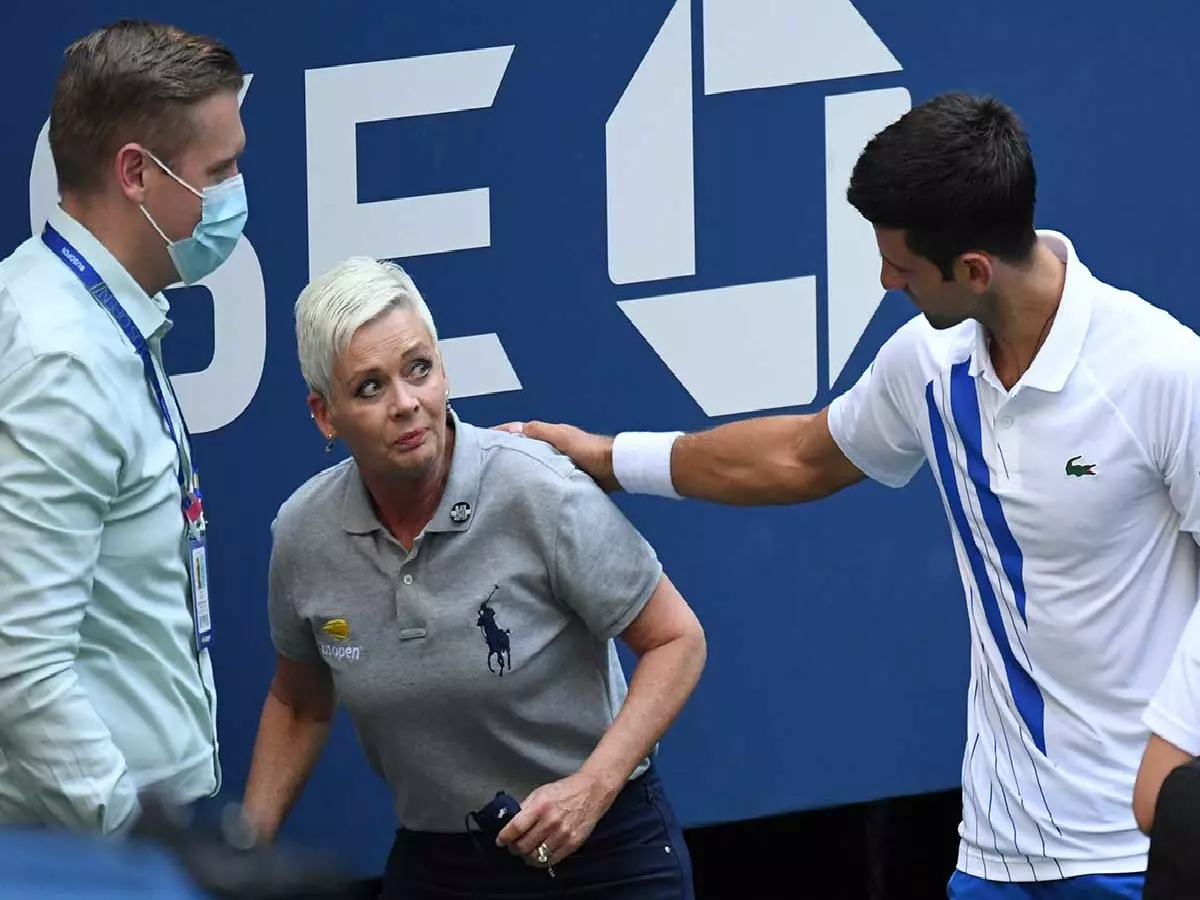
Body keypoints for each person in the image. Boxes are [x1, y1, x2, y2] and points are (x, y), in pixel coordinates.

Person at [500, 92, 1200, 898]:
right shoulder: (928, 365)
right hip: (996, 856)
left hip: (1133, 856)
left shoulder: (1159, 373)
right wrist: (608, 458)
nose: (884, 278)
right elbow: (800, 458)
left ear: (972, 269)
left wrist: (1174, 753)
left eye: (900, 266)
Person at [239, 257, 705, 900]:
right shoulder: (302, 534)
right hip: (440, 864)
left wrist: (592, 788)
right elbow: (298, 701)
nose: (406, 404)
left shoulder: (536, 488)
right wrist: (240, 855)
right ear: (325, 415)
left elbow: (677, 640)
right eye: (370, 388)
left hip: (603, 851)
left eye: (418, 369)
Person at [0, 20, 248, 833]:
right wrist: (136, 851)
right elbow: (21, 667)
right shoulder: (60, 359)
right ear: (137, 173)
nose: (236, 194)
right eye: (222, 171)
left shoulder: (68, 312)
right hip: (92, 859)